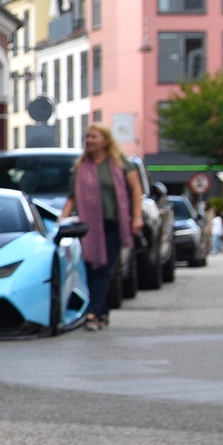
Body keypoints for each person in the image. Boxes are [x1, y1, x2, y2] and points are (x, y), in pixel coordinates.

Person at [72, 124, 138, 328]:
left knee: (103, 269)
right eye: (87, 136)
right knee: (90, 269)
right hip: (87, 226)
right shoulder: (81, 167)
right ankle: (102, 312)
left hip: (112, 224)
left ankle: (91, 313)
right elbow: (71, 197)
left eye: (94, 136)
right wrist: (60, 221)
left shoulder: (120, 165)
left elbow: (136, 191)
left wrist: (137, 218)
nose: (89, 140)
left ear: (106, 140)